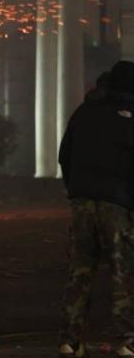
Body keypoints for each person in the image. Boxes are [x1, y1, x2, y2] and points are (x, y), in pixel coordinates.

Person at [57, 60, 134, 358]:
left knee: (80, 271)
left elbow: (66, 154)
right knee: (123, 272)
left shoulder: (85, 112)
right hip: (118, 203)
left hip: (82, 202)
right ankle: (127, 340)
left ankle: (71, 340)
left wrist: (75, 191)